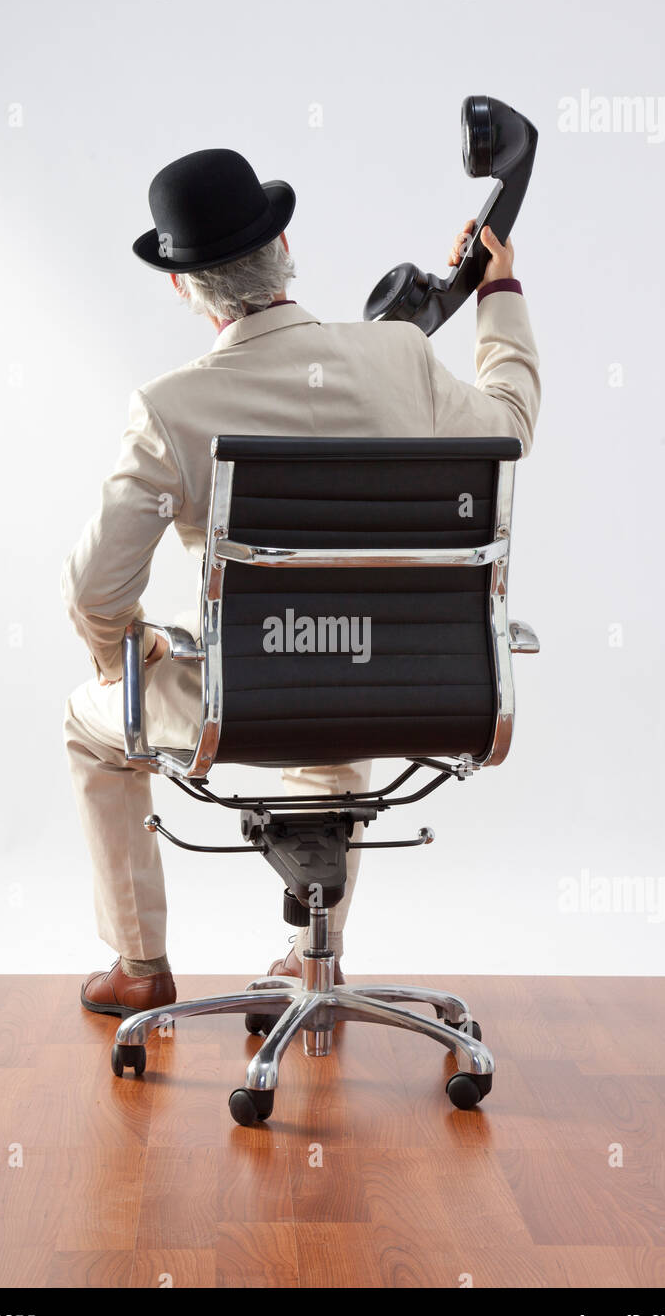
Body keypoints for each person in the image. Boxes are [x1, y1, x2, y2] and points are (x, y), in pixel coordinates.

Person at [63, 147, 540, 1017]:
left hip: (245, 702)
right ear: (287, 244)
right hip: (416, 691)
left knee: (91, 722)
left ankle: (139, 962)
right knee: (334, 685)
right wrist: (498, 293)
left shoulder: (172, 409)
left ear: (183, 287)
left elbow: (97, 590)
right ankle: (309, 960)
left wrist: (126, 652)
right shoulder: (403, 359)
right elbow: (509, 427)